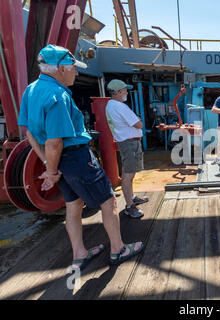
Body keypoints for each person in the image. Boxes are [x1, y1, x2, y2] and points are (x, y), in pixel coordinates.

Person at [18, 45, 144, 271]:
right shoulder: (58, 96)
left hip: (58, 162)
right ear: (61, 68)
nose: (76, 73)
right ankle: (118, 249)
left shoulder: (31, 89)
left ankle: (80, 253)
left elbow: (30, 133)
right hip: (76, 158)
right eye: (73, 68)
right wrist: (53, 170)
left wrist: (49, 166)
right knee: (108, 201)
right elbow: (55, 142)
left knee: (73, 205)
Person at [106, 79, 148, 219]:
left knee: (127, 172)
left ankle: (132, 197)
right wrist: (137, 118)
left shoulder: (110, 105)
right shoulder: (120, 106)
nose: (126, 92)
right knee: (128, 175)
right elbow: (139, 124)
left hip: (126, 143)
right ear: (118, 92)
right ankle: (129, 206)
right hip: (130, 144)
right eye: (124, 90)